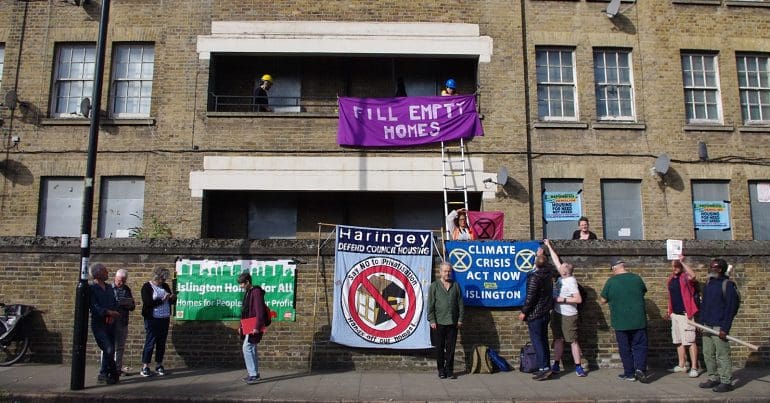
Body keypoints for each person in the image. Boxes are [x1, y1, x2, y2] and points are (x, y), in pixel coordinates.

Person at [600, 258, 650, 383]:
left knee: (625, 348)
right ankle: (640, 369)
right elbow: (642, 292)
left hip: (620, 321)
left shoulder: (611, 281)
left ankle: (630, 374)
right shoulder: (636, 278)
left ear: (614, 268)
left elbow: (603, 300)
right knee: (640, 346)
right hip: (638, 319)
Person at [543, 239, 587, 377]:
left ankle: (578, 366)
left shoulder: (571, 281)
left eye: (563, 266)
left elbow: (578, 299)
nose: (560, 266)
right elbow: (556, 260)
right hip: (557, 313)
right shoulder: (561, 278)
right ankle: (556, 364)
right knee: (558, 339)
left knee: (573, 341)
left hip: (569, 315)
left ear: (566, 271)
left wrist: (563, 299)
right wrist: (549, 246)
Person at [698, 258, 739, 393]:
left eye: (713, 267)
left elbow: (730, 309)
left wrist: (725, 328)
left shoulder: (728, 285)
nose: (710, 269)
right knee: (708, 354)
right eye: (710, 266)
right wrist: (701, 322)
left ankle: (726, 381)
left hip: (719, 327)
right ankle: (713, 378)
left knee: (722, 355)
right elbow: (704, 305)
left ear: (720, 269)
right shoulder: (709, 283)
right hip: (707, 325)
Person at [518, 248, 555, 381]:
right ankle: (544, 367)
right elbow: (549, 264)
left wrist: (524, 312)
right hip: (545, 312)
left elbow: (530, 297)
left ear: (536, 264)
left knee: (537, 342)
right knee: (543, 340)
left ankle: (544, 368)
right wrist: (541, 256)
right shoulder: (549, 272)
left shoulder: (535, 277)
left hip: (536, 314)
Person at [665, 256, 701, 378]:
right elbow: (670, 296)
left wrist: (682, 262)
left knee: (690, 341)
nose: (674, 268)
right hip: (675, 314)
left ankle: (694, 367)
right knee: (678, 341)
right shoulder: (671, 279)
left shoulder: (685, 277)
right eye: (673, 266)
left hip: (686, 314)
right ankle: (682, 365)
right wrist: (669, 310)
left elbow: (693, 276)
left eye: (677, 266)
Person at [427, 261, 464, 379]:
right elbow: (430, 305)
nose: (447, 273)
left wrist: (460, 319)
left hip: (453, 322)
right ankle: (441, 370)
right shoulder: (434, 286)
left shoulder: (456, 286)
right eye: (445, 271)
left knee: (451, 348)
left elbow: (460, 304)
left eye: (449, 271)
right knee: (439, 347)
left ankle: (449, 370)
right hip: (438, 322)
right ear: (440, 272)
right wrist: (432, 320)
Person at [88, 263, 121, 384]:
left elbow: (113, 302)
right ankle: (112, 373)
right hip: (99, 324)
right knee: (108, 348)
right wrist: (108, 312)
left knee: (111, 349)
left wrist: (113, 313)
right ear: (98, 273)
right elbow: (95, 307)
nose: (107, 273)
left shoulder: (108, 288)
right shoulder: (91, 288)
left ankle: (104, 374)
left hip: (110, 323)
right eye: (105, 271)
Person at [140, 267, 175, 377]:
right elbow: (148, 303)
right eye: (163, 279)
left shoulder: (165, 286)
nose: (164, 281)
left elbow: (171, 300)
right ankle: (145, 366)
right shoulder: (147, 287)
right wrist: (162, 300)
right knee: (150, 342)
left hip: (164, 318)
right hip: (152, 318)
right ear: (157, 277)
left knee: (161, 343)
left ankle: (159, 365)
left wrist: (172, 298)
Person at [238, 272, 267, 385]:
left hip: (254, 324)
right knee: (252, 347)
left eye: (242, 284)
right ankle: (254, 374)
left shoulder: (256, 292)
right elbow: (245, 311)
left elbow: (260, 311)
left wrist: (257, 327)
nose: (241, 286)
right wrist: (241, 326)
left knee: (247, 347)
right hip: (249, 323)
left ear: (248, 282)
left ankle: (253, 374)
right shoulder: (248, 292)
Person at [111, 269, 135, 376]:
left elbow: (132, 306)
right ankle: (107, 368)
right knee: (108, 346)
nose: (121, 283)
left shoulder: (127, 289)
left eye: (124, 281)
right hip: (110, 321)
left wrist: (129, 304)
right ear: (115, 278)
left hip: (123, 321)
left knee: (120, 347)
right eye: (120, 280)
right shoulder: (109, 289)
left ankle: (117, 368)